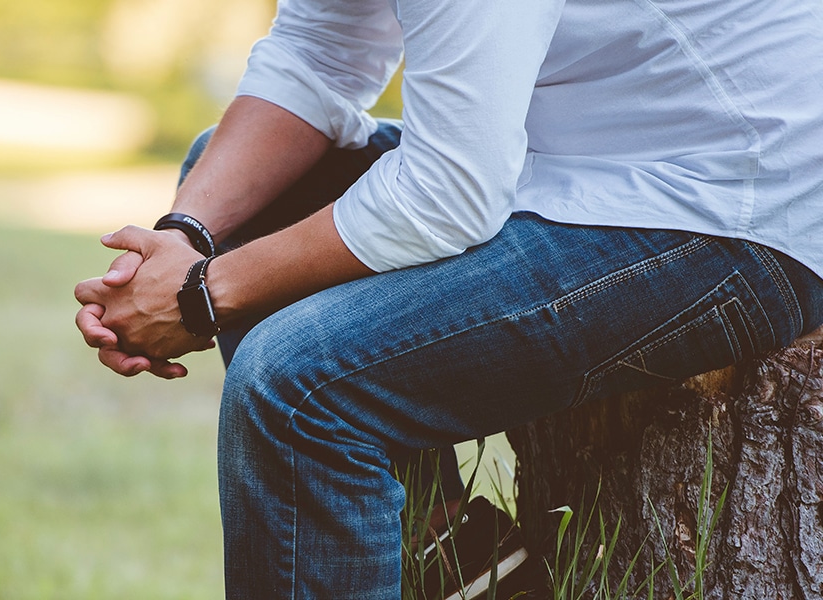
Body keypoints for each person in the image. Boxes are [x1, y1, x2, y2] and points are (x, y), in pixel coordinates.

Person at [74, 0, 823, 596]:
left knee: (298, 387)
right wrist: (187, 238)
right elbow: (318, 55)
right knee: (238, 189)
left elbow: (449, 192)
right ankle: (454, 563)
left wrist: (201, 297)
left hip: (731, 203)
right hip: (571, 164)